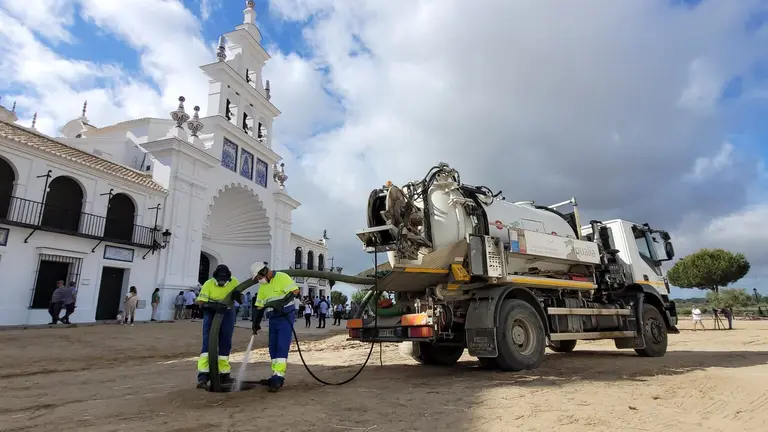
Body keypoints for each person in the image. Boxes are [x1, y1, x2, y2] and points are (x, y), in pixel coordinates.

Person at [251, 262, 300, 393]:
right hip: (273, 318)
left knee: (281, 346)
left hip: (285, 316)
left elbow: (295, 291)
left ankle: (279, 376)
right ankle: (275, 374)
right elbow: (259, 307)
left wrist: (281, 303)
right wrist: (256, 322)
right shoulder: (263, 288)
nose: (259, 280)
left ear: (264, 272)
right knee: (272, 346)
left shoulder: (282, 277)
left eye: (259, 278)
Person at [196, 264, 240, 389]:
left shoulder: (234, 282)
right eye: (219, 279)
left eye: (224, 280)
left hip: (228, 312)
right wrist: (214, 306)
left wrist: (238, 296)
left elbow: (239, 296)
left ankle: (223, 373)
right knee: (208, 343)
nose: (222, 282)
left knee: (225, 342)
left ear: (229, 278)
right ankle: (203, 376)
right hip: (211, 312)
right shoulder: (208, 284)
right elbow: (201, 303)